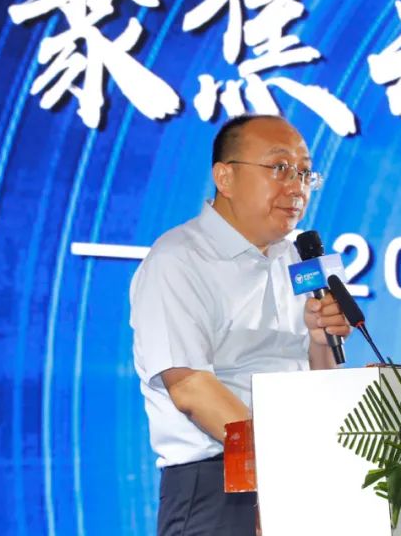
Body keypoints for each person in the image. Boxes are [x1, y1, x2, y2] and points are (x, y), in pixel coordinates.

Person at [129, 114, 352, 535]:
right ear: (225, 177)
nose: (297, 188)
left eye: (305, 173)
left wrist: (321, 342)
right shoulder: (178, 259)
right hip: (216, 485)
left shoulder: (300, 259)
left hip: (301, 475)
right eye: (280, 168)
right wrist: (281, 464)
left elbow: (320, 378)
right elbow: (190, 388)